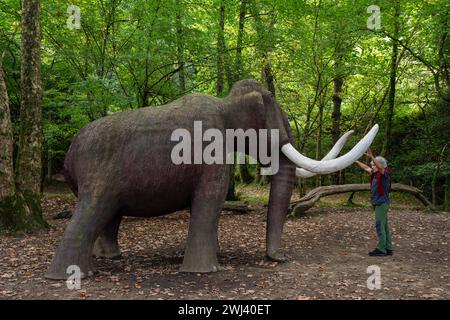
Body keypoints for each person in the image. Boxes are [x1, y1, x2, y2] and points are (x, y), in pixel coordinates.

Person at [355, 148, 393, 257]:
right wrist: (355, 161)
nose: (372, 167)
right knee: (384, 225)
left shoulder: (385, 173)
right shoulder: (375, 174)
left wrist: (372, 156)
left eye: (374, 165)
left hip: (382, 203)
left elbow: (380, 167)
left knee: (379, 225)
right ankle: (388, 248)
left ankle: (381, 249)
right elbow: (366, 167)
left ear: (380, 165)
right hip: (378, 203)